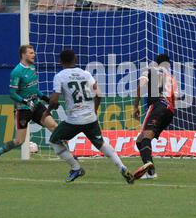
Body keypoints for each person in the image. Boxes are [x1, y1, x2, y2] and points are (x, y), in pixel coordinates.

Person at [47, 49, 136, 183]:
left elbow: (54, 100)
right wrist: (94, 110)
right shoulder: (86, 74)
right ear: (75, 59)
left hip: (74, 120)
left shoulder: (60, 76)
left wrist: (47, 111)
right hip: (90, 119)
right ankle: (122, 167)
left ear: (60, 62)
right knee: (101, 144)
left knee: (54, 140)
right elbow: (99, 95)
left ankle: (76, 167)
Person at [0, 45, 58, 163]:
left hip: (36, 105)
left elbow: (34, 89)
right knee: (19, 141)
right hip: (23, 109)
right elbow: (12, 94)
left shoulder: (33, 68)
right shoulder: (17, 72)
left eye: (33, 52)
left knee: (54, 127)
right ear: (23, 55)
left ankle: (68, 155)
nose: (34, 55)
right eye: (30, 53)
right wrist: (25, 101)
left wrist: (45, 98)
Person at [133, 54, 179, 180]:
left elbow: (140, 86)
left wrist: (136, 106)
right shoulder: (172, 78)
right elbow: (176, 97)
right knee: (140, 140)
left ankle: (150, 168)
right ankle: (150, 171)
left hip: (157, 105)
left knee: (144, 138)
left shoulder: (150, 69)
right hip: (169, 111)